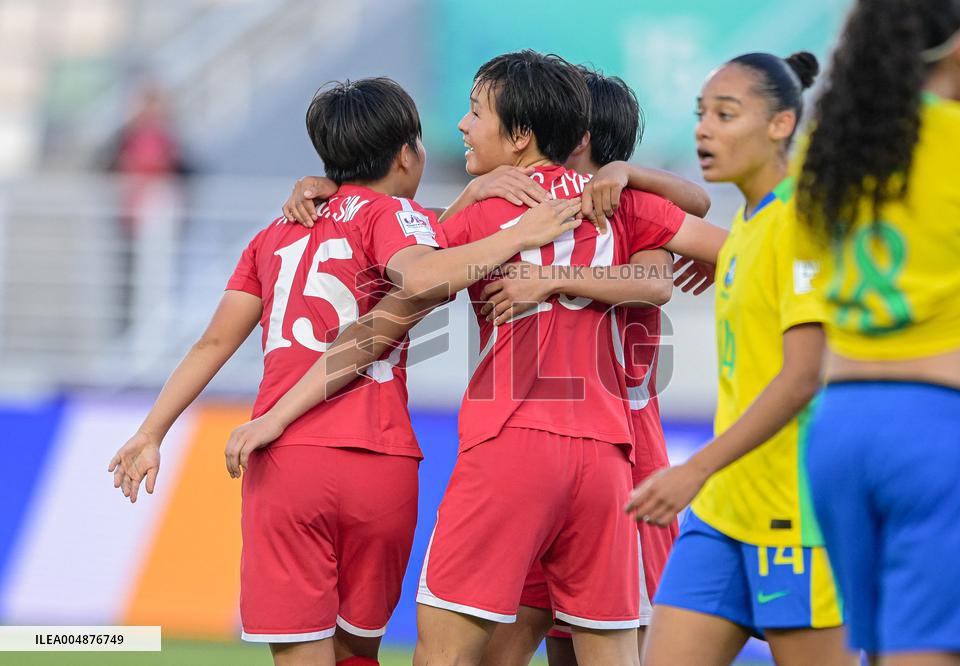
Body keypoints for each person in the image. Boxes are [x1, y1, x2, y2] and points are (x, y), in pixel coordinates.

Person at [227, 50, 728, 666]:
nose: (462, 125)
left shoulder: (492, 215)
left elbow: (383, 319)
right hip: (610, 458)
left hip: (511, 445)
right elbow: (729, 249)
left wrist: (276, 416)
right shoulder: (621, 208)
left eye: (474, 112)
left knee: (448, 655)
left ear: (521, 135)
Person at [107, 77, 579, 666]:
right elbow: (423, 267)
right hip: (378, 461)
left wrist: (152, 431)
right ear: (407, 154)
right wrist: (515, 231)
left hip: (286, 458)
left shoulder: (274, 235)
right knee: (358, 650)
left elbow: (212, 342)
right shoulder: (396, 219)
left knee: (303, 650)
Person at [471, 67, 712, 666]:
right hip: (562, 453)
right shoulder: (532, 209)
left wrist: (622, 177)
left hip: (620, 458)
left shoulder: (626, 211)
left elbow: (664, 274)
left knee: (596, 643)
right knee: (550, 641)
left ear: (575, 135)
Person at [626, 52, 856, 666]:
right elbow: (695, 218)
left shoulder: (803, 220)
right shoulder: (748, 229)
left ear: (781, 124)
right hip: (724, 511)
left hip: (795, 512)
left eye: (726, 114)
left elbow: (804, 374)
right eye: (702, 114)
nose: (704, 129)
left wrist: (694, 468)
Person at [795, 1, 960, 663]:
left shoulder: (827, 149)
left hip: (838, 428)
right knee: (928, 652)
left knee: (878, 652)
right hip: (942, 429)